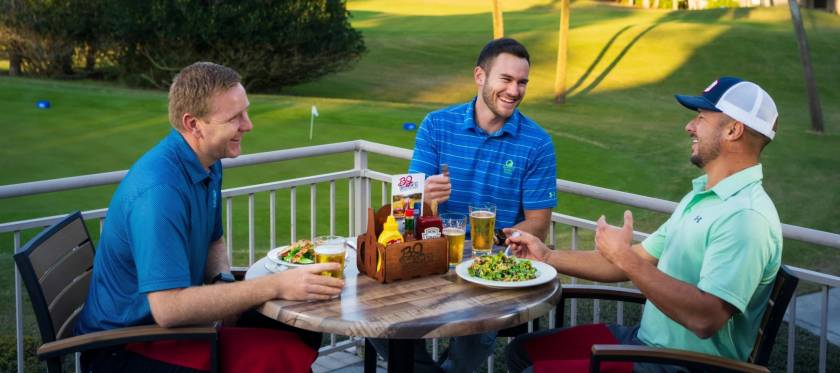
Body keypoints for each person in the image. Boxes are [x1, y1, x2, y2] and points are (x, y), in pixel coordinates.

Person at [75, 62, 344, 373]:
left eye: (246, 111)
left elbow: (213, 238)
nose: (249, 125)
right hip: (126, 347)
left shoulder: (207, 161)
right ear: (194, 124)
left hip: (171, 328)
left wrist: (223, 280)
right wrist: (274, 286)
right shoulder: (160, 192)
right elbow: (168, 308)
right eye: (234, 118)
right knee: (281, 351)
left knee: (301, 323)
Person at [504, 77, 782, 372]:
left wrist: (623, 257)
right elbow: (634, 259)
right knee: (523, 351)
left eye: (701, 118)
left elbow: (705, 318)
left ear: (733, 130)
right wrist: (546, 257)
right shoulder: (703, 197)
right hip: (648, 345)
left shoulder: (746, 218)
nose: (690, 127)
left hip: (683, 365)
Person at [372, 38, 558, 372]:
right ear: (479, 76)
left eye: (522, 82)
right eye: (506, 79)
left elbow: (538, 225)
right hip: (432, 260)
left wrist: (492, 242)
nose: (515, 91)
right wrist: (426, 198)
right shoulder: (436, 125)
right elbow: (406, 213)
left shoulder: (538, 144)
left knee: (474, 334)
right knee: (371, 311)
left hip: (491, 271)